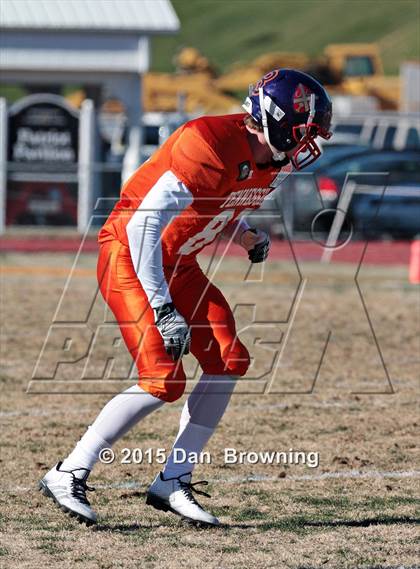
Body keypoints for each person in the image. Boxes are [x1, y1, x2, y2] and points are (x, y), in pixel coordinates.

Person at [39, 69, 332, 527]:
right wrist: (160, 306)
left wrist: (242, 232)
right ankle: (68, 471)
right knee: (163, 380)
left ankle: (173, 479)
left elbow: (217, 202)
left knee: (228, 359)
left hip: (179, 263)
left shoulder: (271, 158)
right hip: (132, 254)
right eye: (302, 132)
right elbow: (144, 227)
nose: (307, 143)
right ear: (272, 121)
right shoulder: (209, 142)